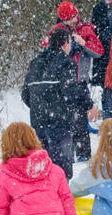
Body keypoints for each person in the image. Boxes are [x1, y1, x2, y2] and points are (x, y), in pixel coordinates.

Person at [22, 29, 97, 178]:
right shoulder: (66, 62)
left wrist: (39, 106)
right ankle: (60, 195)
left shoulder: (35, 62)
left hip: (38, 121)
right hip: (59, 121)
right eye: (70, 42)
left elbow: (25, 94)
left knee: (40, 164)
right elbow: (71, 90)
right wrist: (88, 105)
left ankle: (41, 194)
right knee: (60, 167)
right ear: (65, 43)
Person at [50, 1, 104, 162]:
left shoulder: (86, 29)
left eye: (74, 17)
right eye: (68, 19)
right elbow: (46, 46)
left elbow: (99, 51)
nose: (73, 20)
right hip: (60, 80)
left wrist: (84, 43)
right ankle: (65, 151)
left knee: (79, 118)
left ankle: (83, 153)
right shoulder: (56, 31)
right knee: (62, 118)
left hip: (79, 78)